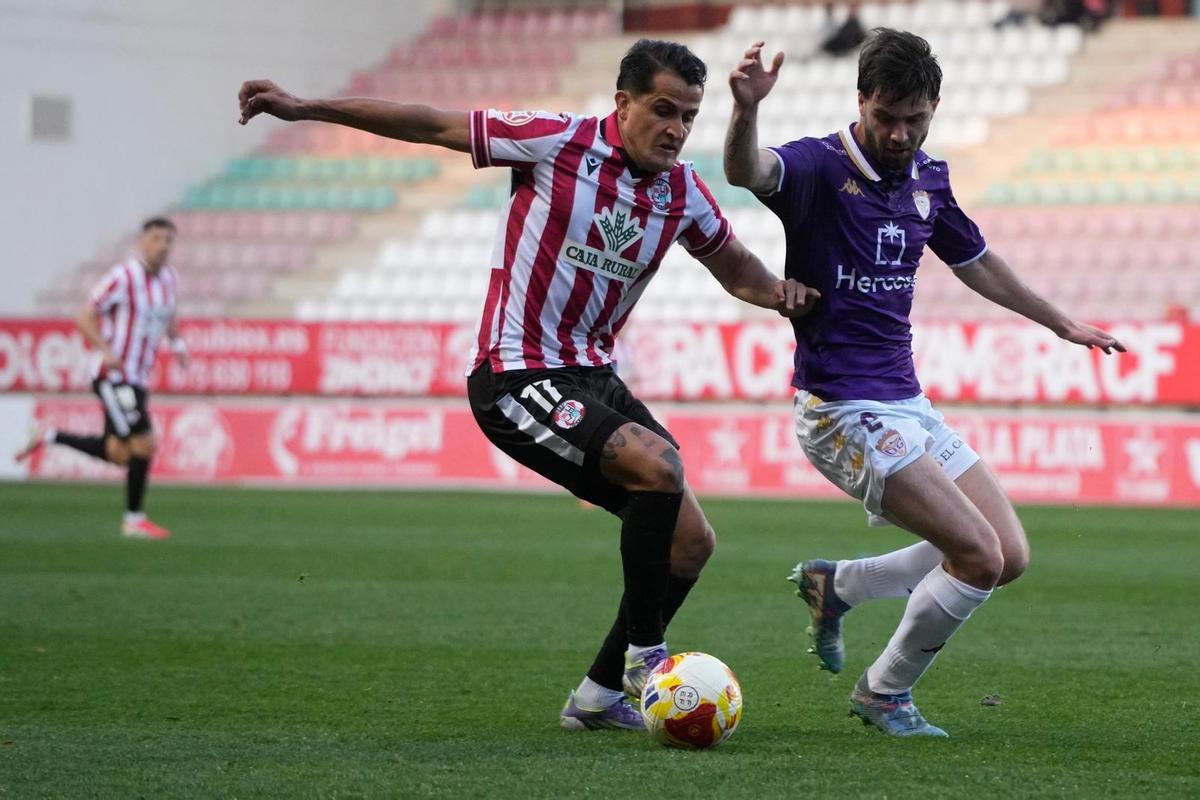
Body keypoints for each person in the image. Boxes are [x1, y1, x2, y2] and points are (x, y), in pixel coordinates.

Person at [238, 39, 818, 732]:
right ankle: (645, 658)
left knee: (691, 542)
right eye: (663, 110)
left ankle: (598, 699)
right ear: (623, 103)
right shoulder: (554, 144)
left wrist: (784, 294)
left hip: (592, 376)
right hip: (515, 372)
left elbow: (737, 269)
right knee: (658, 467)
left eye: (688, 116)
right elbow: (428, 123)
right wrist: (304, 107)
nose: (676, 129)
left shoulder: (683, 192)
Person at [723, 29, 1124, 736]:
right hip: (840, 409)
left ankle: (838, 585)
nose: (900, 133)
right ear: (861, 102)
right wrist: (746, 110)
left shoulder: (928, 179)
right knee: (977, 556)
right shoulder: (818, 167)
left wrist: (1061, 323)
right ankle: (884, 692)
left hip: (906, 402)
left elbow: (978, 263)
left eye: (915, 118)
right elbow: (746, 171)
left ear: (934, 106)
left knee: (1009, 557)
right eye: (886, 117)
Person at [16, 217, 188, 540]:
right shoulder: (123, 277)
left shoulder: (169, 280)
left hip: (137, 377)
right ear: (142, 241)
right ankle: (133, 520)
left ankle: (49, 436)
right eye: (156, 238)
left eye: (168, 240)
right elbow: (83, 316)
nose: (162, 246)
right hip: (114, 376)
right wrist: (106, 350)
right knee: (144, 443)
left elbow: (170, 314)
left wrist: (178, 344)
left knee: (120, 453)